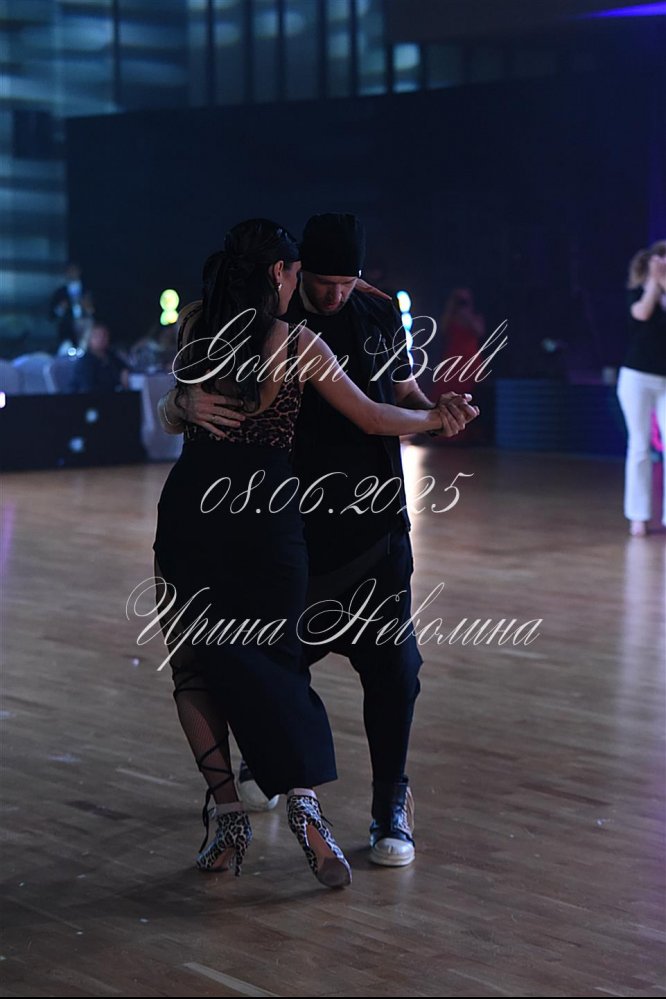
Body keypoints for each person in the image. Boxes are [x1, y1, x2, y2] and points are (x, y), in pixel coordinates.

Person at [158, 213, 480, 871]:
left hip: (245, 513)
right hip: (273, 520)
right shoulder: (292, 336)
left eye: (347, 281)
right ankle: (296, 803)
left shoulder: (202, 323)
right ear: (287, 271)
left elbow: (392, 396)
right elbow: (373, 414)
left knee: (213, 664)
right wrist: (435, 422)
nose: (336, 292)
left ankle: (278, 809)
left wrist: (434, 412)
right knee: (262, 663)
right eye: (319, 279)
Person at [616, 240, 666, 536]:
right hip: (636, 377)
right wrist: (654, 284)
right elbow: (642, 314)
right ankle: (638, 516)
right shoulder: (637, 293)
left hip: (665, 380)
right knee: (639, 444)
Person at [70, 323, 129, 393]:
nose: (101, 339)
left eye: (104, 335)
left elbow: (125, 367)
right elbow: (87, 389)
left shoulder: (111, 356)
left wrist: (125, 371)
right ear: (89, 339)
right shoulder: (85, 362)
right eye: (96, 336)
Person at [49, 261, 95, 350]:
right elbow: (52, 316)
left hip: (86, 331)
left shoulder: (88, 290)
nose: (72, 273)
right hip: (67, 332)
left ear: (79, 271)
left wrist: (87, 307)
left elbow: (93, 312)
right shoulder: (60, 292)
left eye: (74, 270)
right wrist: (61, 308)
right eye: (69, 271)